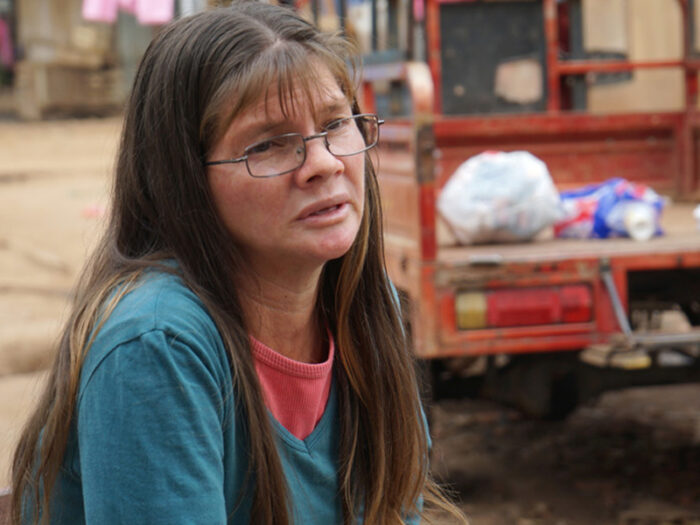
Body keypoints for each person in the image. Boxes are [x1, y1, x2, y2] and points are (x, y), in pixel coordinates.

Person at [11, 2, 467, 524]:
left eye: (335, 123)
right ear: (184, 178)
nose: (323, 163)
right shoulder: (157, 347)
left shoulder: (364, 299)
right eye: (269, 144)